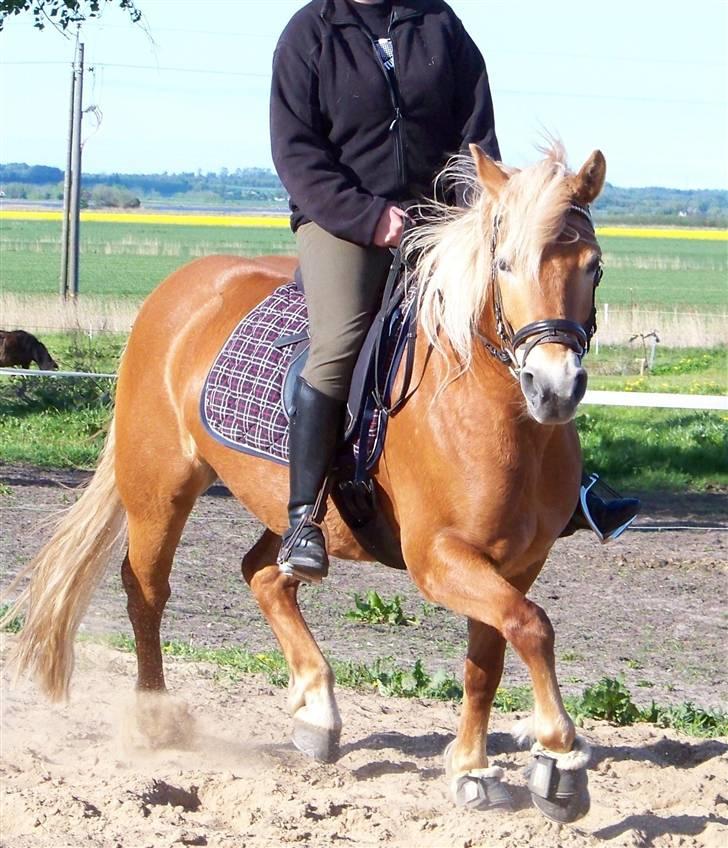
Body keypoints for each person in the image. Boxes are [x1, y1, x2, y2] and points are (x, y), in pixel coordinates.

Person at [270, 0, 639, 583]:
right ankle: (301, 519)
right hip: (342, 222)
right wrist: (370, 219)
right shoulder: (308, 35)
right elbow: (296, 152)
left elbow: (476, 133)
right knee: (340, 340)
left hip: (445, 218)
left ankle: (568, 490)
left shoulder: (438, 22)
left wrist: (475, 212)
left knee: (522, 328)